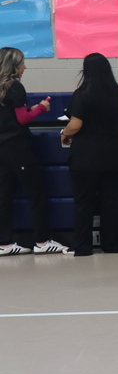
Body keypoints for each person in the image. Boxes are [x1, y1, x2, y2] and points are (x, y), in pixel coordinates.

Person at [59, 53, 118, 256]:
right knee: (111, 202)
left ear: (86, 71)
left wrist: (64, 133)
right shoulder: (117, 94)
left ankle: (83, 247)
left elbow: (75, 125)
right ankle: (113, 245)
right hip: (115, 156)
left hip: (86, 158)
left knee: (84, 203)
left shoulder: (82, 94)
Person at [0, 47, 68, 256]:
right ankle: (41, 241)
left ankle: (4, 243)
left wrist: (30, 109)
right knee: (37, 193)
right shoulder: (15, 87)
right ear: (14, 66)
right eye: (22, 63)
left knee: (4, 195)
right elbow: (21, 119)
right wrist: (41, 108)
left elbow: (11, 116)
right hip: (18, 147)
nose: (24, 67)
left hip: (2, 147)